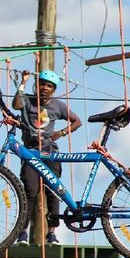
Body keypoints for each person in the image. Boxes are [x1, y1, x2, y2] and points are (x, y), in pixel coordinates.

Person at [11, 70, 82, 245]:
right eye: (42, 84)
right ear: (37, 85)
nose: (44, 88)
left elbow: (77, 121)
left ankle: (52, 233)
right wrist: (23, 82)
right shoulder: (27, 99)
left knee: (53, 191)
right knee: (29, 192)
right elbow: (16, 105)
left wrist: (61, 133)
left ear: (53, 89)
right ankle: (22, 233)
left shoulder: (58, 106)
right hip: (30, 152)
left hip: (50, 152)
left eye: (49, 86)